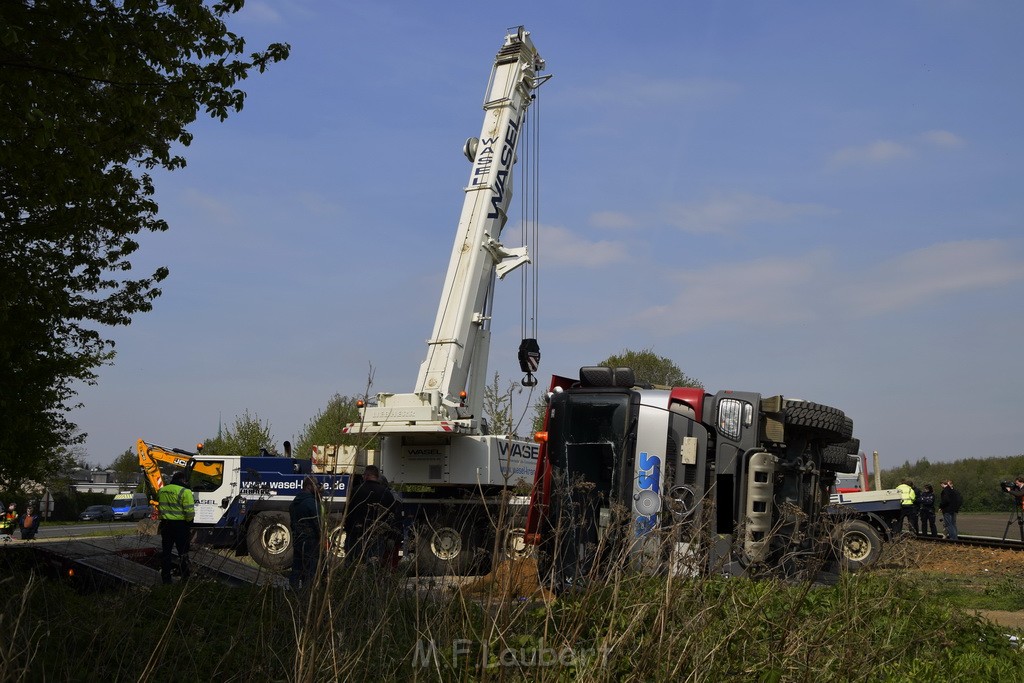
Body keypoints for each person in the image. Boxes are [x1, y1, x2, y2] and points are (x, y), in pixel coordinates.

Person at [344, 465, 401, 566]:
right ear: (377, 476)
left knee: (353, 564)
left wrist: (348, 530)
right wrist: (390, 536)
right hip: (377, 535)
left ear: (366, 475)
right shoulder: (385, 493)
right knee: (373, 565)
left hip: (356, 534)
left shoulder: (355, 490)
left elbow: (346, 512)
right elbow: (393, 516)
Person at [158, 471, 195, 584]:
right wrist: (189, 522)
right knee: (183, 553)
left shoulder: (162, 490)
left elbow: (160, 506)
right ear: (183, 480)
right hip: (180, 525)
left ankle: (166, 578)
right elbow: (189, 510)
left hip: (166, 524)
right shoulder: (185, 491)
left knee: (166, 553)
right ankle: (185, 578)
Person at [289, 476, 323, 590]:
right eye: (316, 485)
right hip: (310, 540)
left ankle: (293, 591)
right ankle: (307, 594)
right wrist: (322, 539)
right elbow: (318, 524)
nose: (318, 487)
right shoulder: (311, 503)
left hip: (298, 538)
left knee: (297, 567)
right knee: (310, 569)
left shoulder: (295, 501)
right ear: (309, 486)